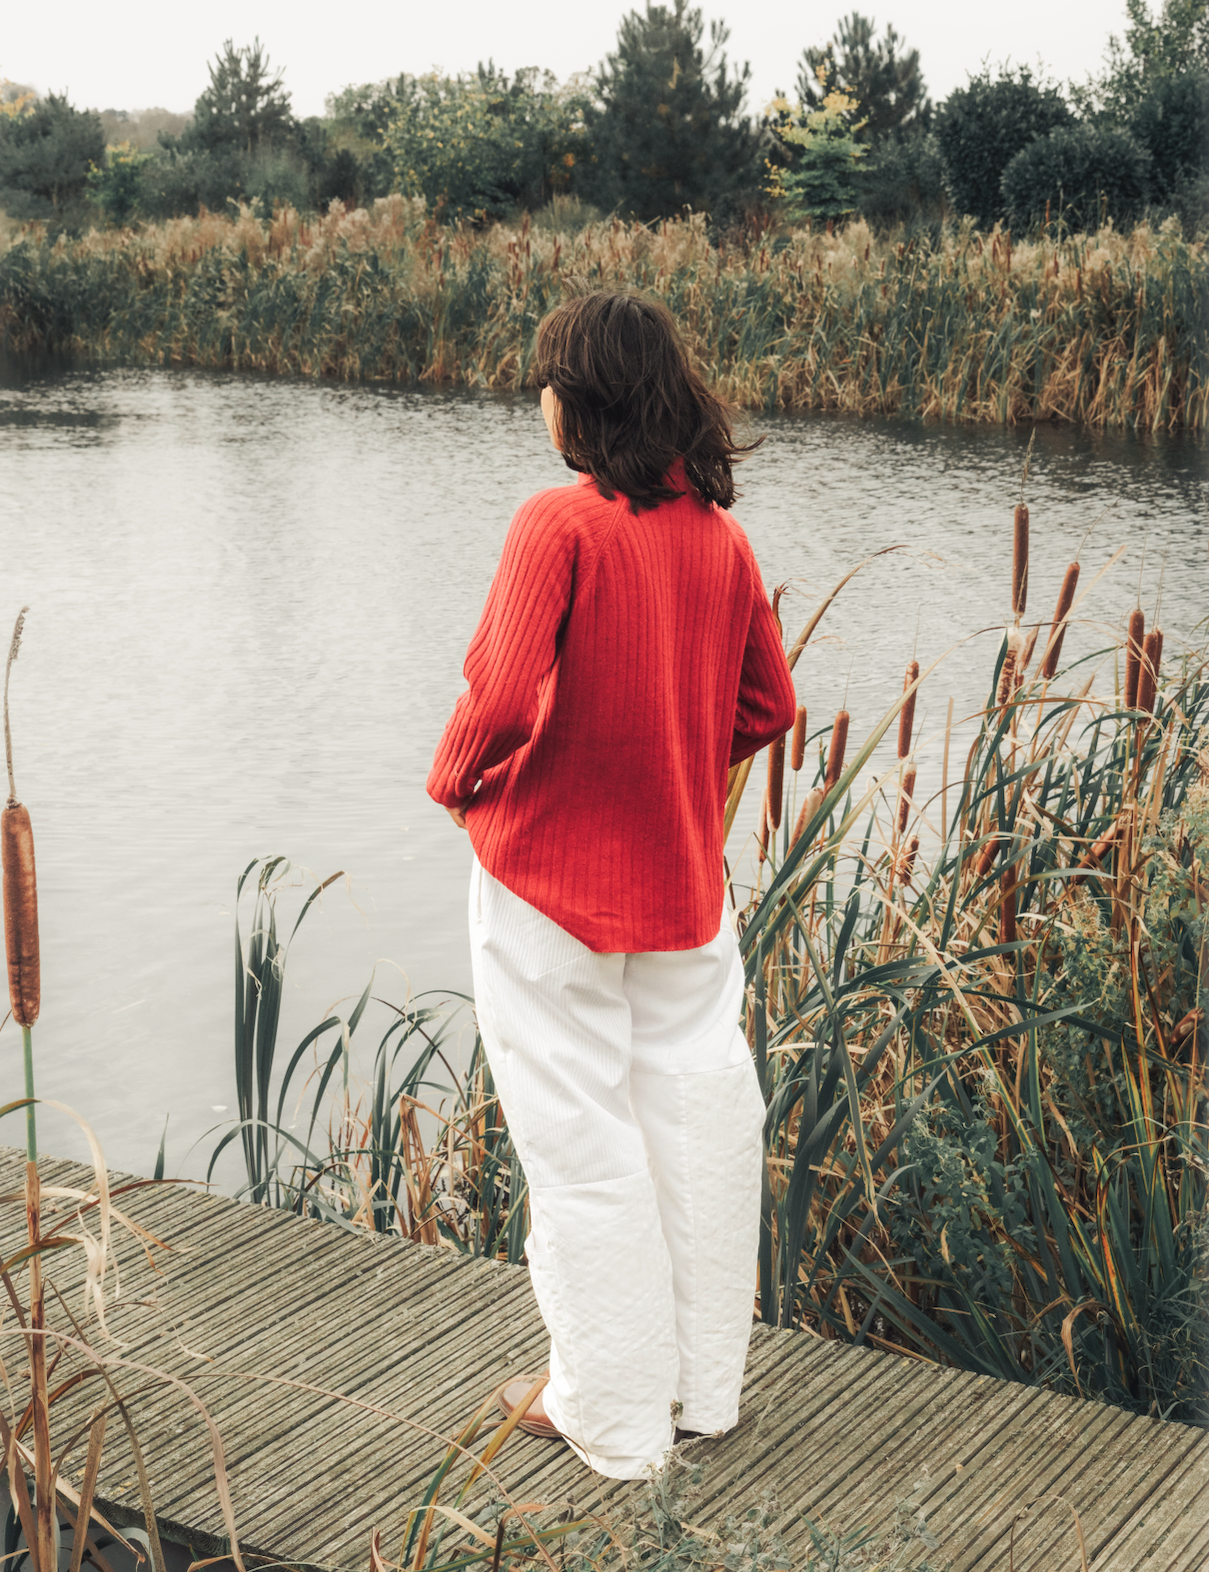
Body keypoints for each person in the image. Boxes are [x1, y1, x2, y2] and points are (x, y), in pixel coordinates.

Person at [426, 289, 796, 1480]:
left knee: (580, 1143)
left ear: (576, 403)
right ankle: (700, 1393)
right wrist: (672, 767)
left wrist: (453, 787)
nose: (536, 403)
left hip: (550, 889)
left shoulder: (560, 525)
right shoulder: (719, 539)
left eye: (543, 383)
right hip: (684, 892)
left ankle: (610, 1416)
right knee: (695, 1121)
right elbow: (767, 709)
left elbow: (493, 699)